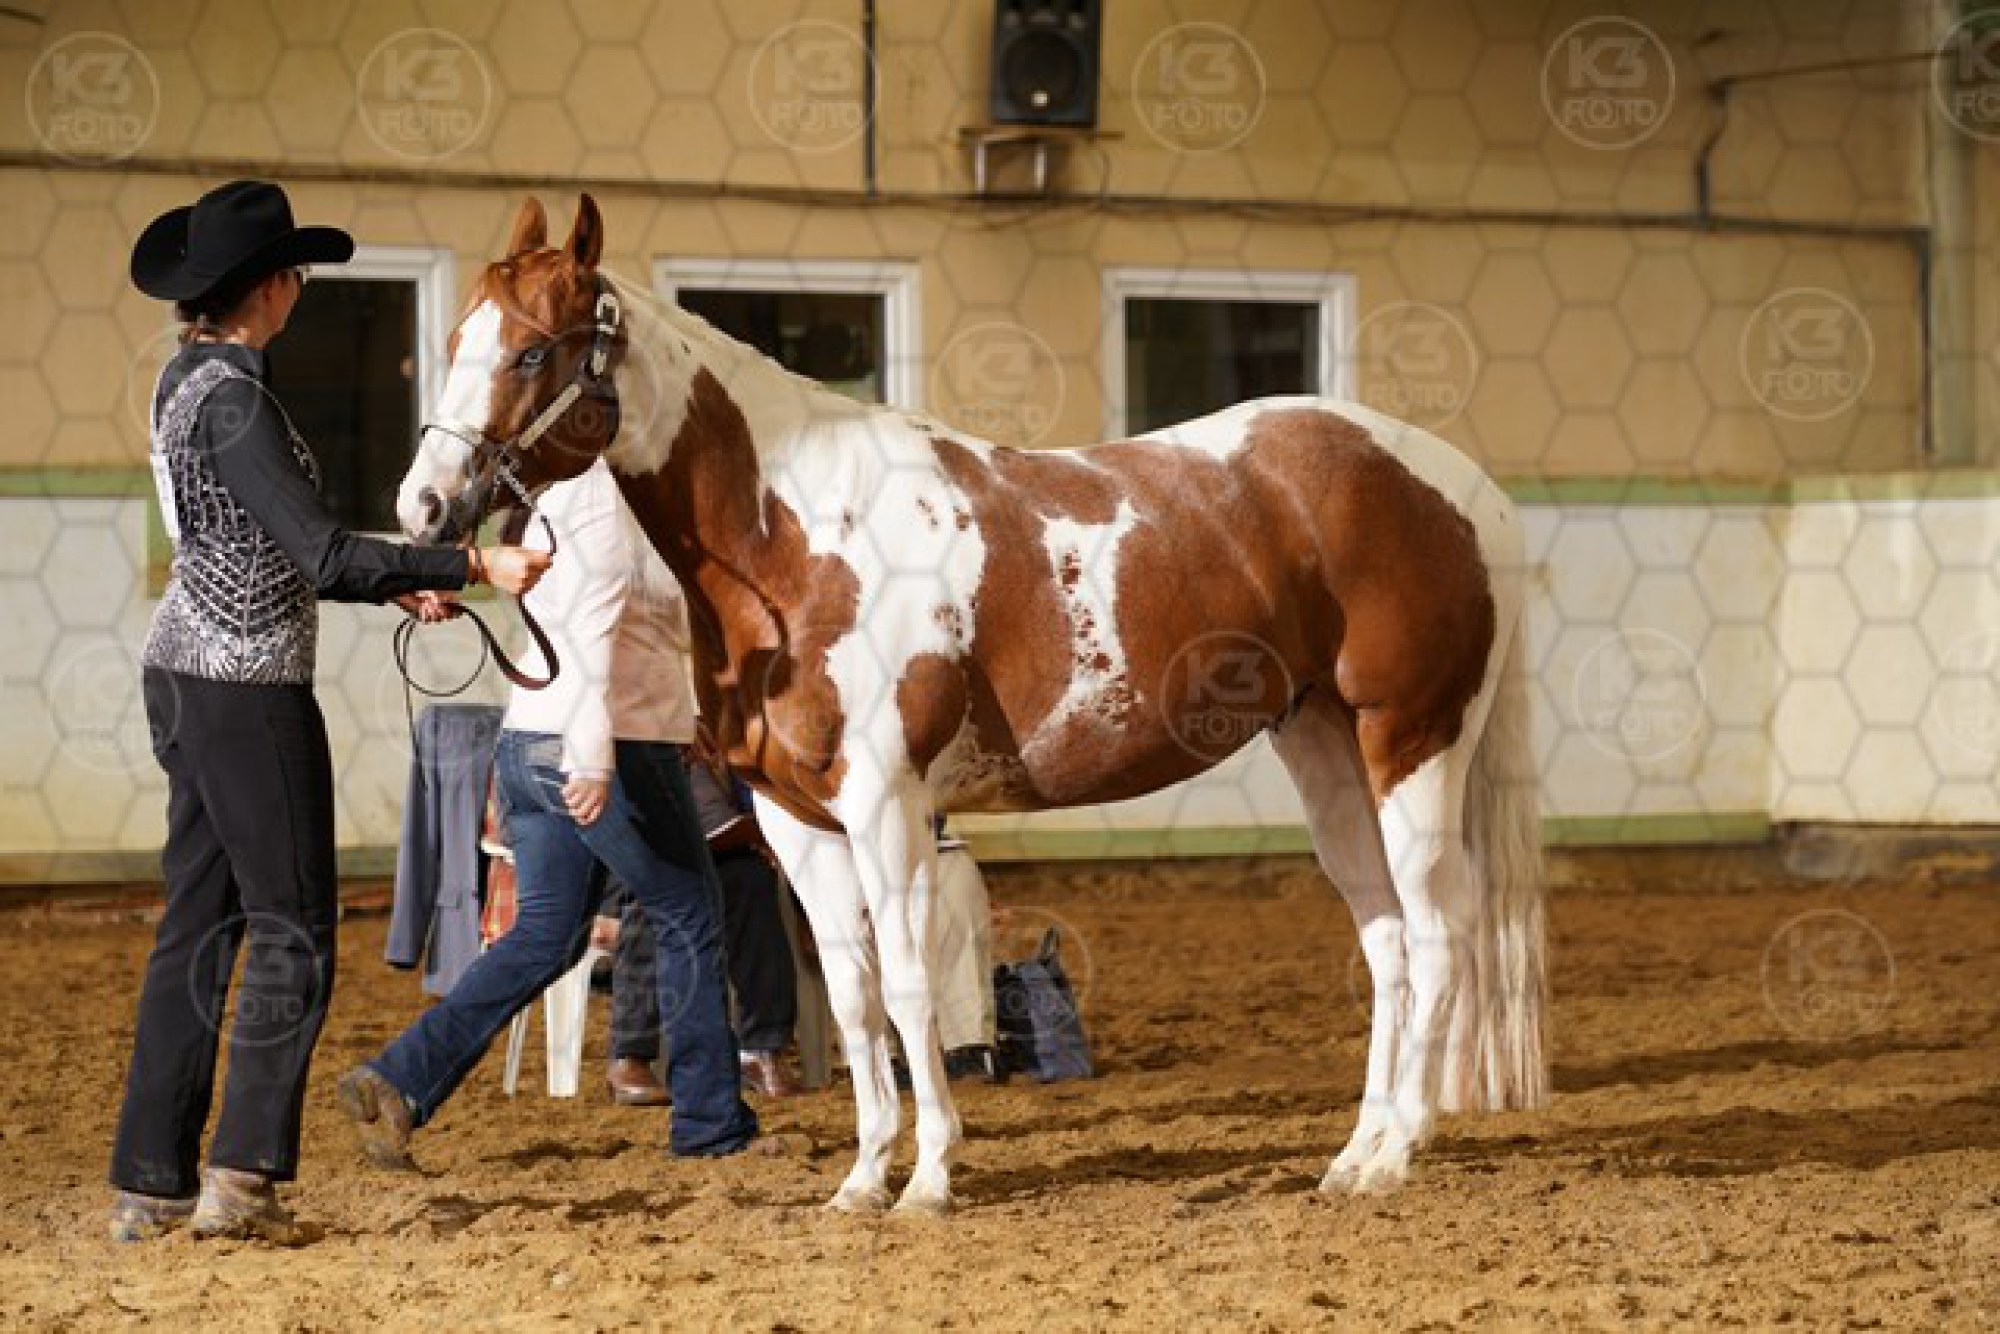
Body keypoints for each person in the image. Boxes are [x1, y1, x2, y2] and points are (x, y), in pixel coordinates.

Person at [110, 180, 551, 1244]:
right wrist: (470, 564)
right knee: (293, 927)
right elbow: (316, 552)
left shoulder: (186, 381)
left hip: (187, 674)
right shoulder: (238, 401)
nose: (300, 288)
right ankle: (240, 1181)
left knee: (198, 924)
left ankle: (150, 1179)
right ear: (271, 287)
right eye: (296, 273)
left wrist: (396, 582)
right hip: (248, 687)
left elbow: (269, 541)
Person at [337, 458, 759, 1165]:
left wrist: (684, 712)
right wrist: (591, 758)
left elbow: (625, 631)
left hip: (528, 741)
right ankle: (711, 1125)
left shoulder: (555, 498)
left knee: (545, 935)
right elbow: (594, 635)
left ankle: (400, 1078)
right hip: (606, 745)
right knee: (688, 914)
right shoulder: (615, 498)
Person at [599, 746, 804, 1105]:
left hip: (699, 846)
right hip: (618, 850)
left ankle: (761, 1049)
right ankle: (630, 1055)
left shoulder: (696, 744)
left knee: (751, 878)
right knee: (656, 888)